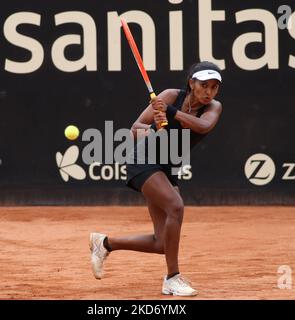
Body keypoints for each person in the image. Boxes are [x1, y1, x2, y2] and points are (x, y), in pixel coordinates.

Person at [89, 61, 223, 296]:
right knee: (176, 206)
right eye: (203, 85)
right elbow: (135, 127)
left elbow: (202, 126)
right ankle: (173, 278)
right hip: (144, 160)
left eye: (214, 87)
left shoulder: (213, 107)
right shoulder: (171, 95)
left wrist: (170, 113)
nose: (208, 92)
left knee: (162, 243)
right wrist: (152, 129)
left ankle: (105, 243)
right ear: (191, 83)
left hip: (168, 167)